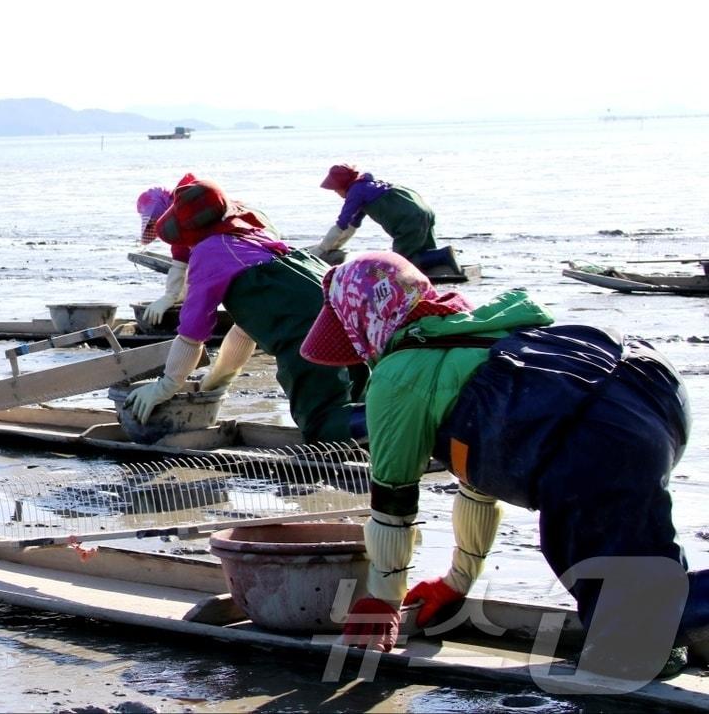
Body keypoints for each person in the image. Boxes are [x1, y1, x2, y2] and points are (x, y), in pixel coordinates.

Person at [301, 251, 702, 676]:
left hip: (589, 430)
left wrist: (382, 597)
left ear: (365, 318)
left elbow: (393, 504)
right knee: (636, 545)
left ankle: (650, 636)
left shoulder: (399, 375)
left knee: (604, 580)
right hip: (651, 393)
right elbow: (478, 482)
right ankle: (660, 644)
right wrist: (458, 580)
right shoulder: (479, 326)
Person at [124, 178, 363, 443]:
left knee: (323, 423)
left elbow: (191, 337)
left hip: (307, 327)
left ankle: (396, 427)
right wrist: (217, 380)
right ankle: (393, 432)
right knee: (360, 394)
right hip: (347, 308)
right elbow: (246, 329)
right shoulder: (252, 235)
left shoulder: (208, 254)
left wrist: (166, 385)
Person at [135, 175, 278, 327]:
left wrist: (169, 297)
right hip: (261, 237)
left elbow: (180, 264)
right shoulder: (194, 199)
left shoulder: (184, 217)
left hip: (250, 247)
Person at [310, 164, 459, 274]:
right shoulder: (367, 187)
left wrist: (322, 249)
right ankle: (440, 261)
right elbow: (352, 225)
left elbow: (342, 223)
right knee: (424, 250)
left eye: (336, 189)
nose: (336, 192)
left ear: (343, 185)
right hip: (422, 211)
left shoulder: (355, 192)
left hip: (408, 219)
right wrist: (334, 246)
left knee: (399, 263)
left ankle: (444, 255)